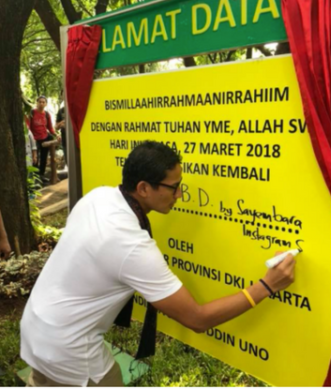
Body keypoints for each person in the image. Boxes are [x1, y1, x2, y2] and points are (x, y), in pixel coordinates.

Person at [20, 141, 296, 386]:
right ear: (143, 188)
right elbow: (197, 319)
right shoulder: (129, 244)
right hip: (69, 354)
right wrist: (266, 286)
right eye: (173, 187)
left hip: (35, 328)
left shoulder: (99, 197)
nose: (179, 195)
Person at [24, 96, 59, 183]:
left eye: (43, 102)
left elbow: (50, 128)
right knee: (35, 158)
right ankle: (35, 177)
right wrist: (31, 138)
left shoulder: (47, 114)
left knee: (44, 158)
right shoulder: (32, 113)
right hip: (34, 139)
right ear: (37, 102)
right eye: (40, 102)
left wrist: (56, 135)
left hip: (44, 137)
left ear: (46, 104)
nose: (41, 103)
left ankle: (41, 175)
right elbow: (28, 126)